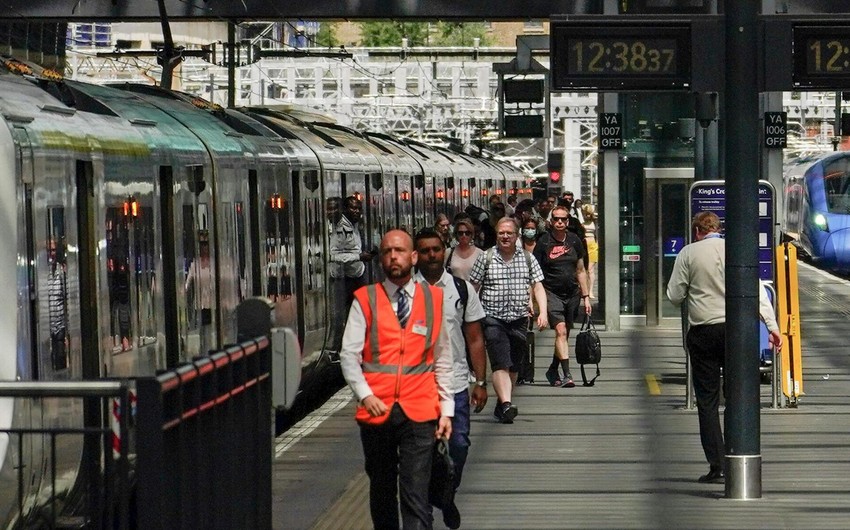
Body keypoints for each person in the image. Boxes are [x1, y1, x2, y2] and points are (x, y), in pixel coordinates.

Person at [340, 229, 454, 530]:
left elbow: (443, 357)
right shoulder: (365, 300)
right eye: (388, 251)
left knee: (416, 492)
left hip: (420, 411)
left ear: (413, 257)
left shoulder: (434, 299)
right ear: (380, 259)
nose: (394, 257)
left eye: (400, 250)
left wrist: (448, 409)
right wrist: (365, 395)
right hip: (377, 411)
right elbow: (348, 355)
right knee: (381, 489)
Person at [666, 211, 782, 485]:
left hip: (703, 332)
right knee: (736, 395)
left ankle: (716, 463)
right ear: (719, 229)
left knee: (706, 401)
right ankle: (737, 452)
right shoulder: (736, 249)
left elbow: (674, 296)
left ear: (697, 231)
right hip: (736, 332)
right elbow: (758, 291)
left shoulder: (688, 253)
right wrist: (773, 326)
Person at [413, 228, 488, 530]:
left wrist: (480, 383)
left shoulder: (461, 288)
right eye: (425, 250)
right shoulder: (403, 290)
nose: (432, 255)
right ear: (416, 255)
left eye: (436, 249)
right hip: (416, 388)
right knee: (420, 455)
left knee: (458, 445)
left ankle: (446, 494)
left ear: (445, 250)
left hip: (455, 384)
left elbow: (474, 338)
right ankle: (424, 516)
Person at [468, 217, 548, 424]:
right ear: (496, 235)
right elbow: (474, 288)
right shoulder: (485, 258)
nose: (505, 236)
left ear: (516, 236)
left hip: (519, 319)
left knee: (513, 366)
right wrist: (470, 316)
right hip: (493, 318)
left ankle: (503, 403)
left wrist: (543, 312)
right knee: (500, 363)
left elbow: (538, 286)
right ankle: (505, 404)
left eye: (509, 233)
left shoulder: (528, 258)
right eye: (501, 233)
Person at [533, 205, 592, 388]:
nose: (560, 222)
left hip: (572, 293)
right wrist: (533, 301)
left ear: (568, 221)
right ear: (551, 221)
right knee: (561, 331)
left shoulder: (574, 241)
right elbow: (535, 275)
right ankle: (567, 374)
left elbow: (581, 270)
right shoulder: (543, 242)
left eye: (563, 219)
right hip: (551, 293)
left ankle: (553, 368)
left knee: (564, 334)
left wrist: (586, 296)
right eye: (556, 219)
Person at [331, 196, 375, 306]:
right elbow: (332, 256)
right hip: (345, 279)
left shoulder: (355, 224)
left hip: (358, 274)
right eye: (353, 208)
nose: (357, 212)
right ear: (345, 209)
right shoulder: (341, 228)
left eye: (359, 209)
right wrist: (359, 257)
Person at [581, 203, 599, 299]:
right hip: (584, 245)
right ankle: (584, 290)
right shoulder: (581, 223)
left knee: (590, 269)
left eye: (588, 214)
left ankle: (590, 290)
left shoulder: (595, 223)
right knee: (584, 269)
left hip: (593, 245)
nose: (586, 215)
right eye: (585, 213)